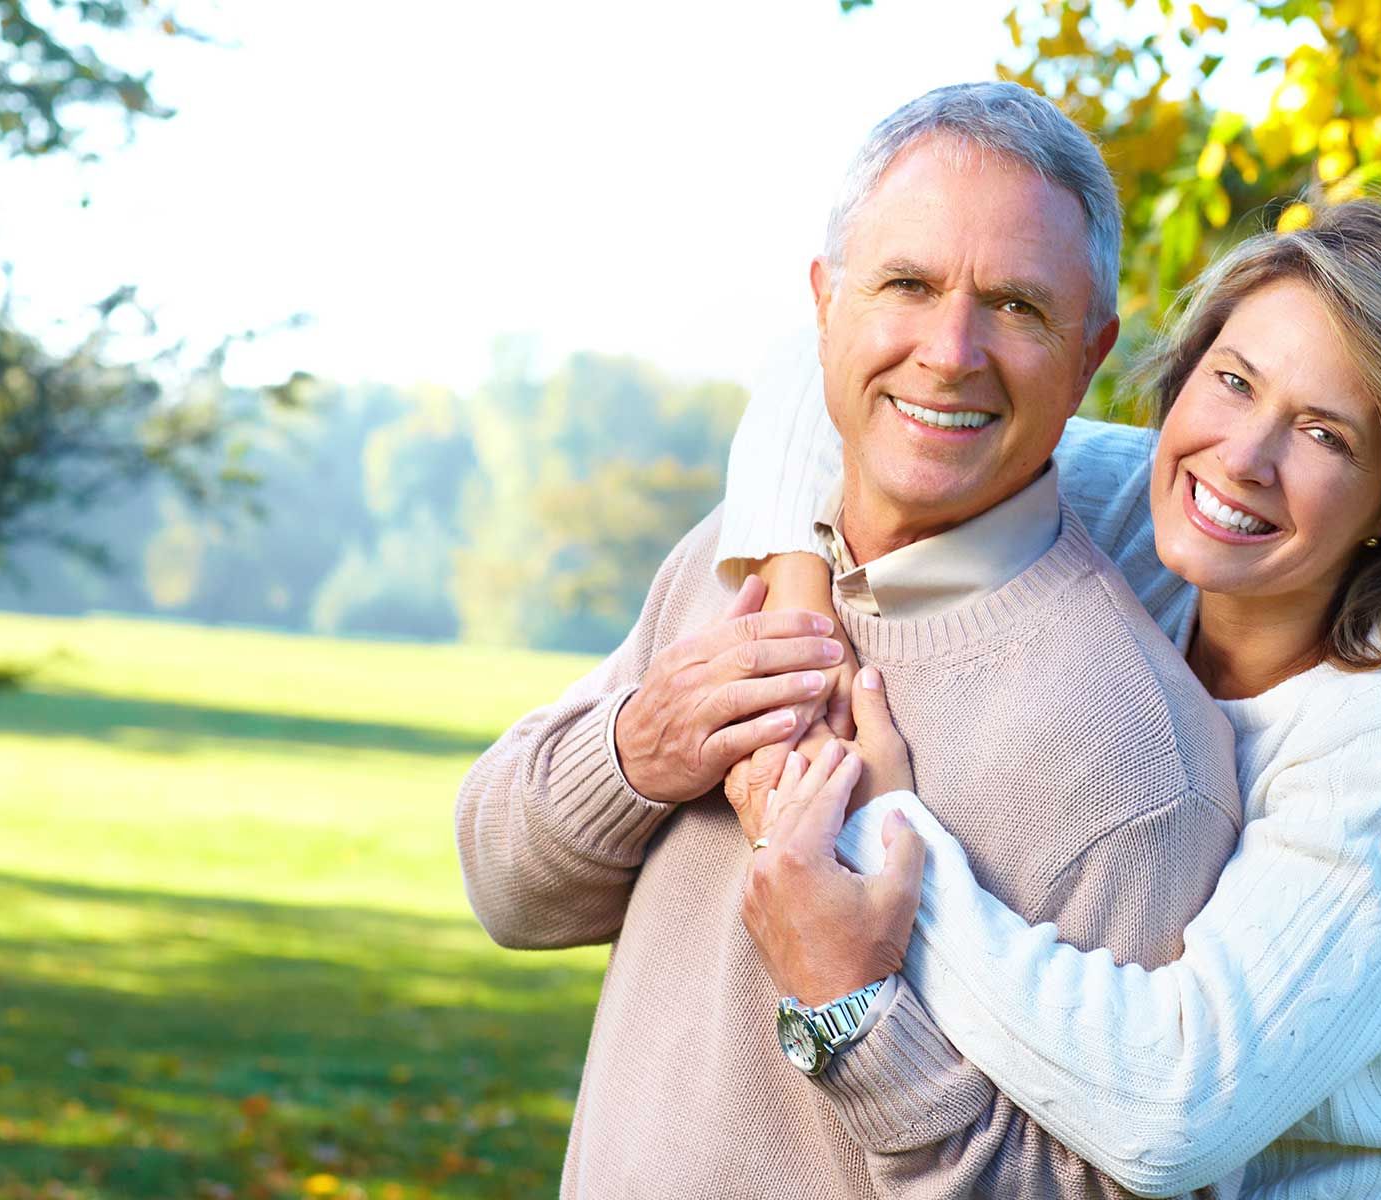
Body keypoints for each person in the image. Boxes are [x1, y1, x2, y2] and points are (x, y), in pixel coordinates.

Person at [454, 81, 1244, 1198]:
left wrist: (851, 1013)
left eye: (1017, 306)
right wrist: (642, 749)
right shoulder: (734, 557)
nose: (950, 351)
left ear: (1091, 352)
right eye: (907, 286)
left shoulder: (1133, 758)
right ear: (825, 303)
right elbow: (506, 890)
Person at [727, 198, 1381, 1198]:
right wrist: (802, 629)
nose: (1243, 458)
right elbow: (814, 376)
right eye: (1234, 381)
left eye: (1325, 435)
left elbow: (1172, 1113)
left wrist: (888, 841)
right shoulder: (1136, 509)